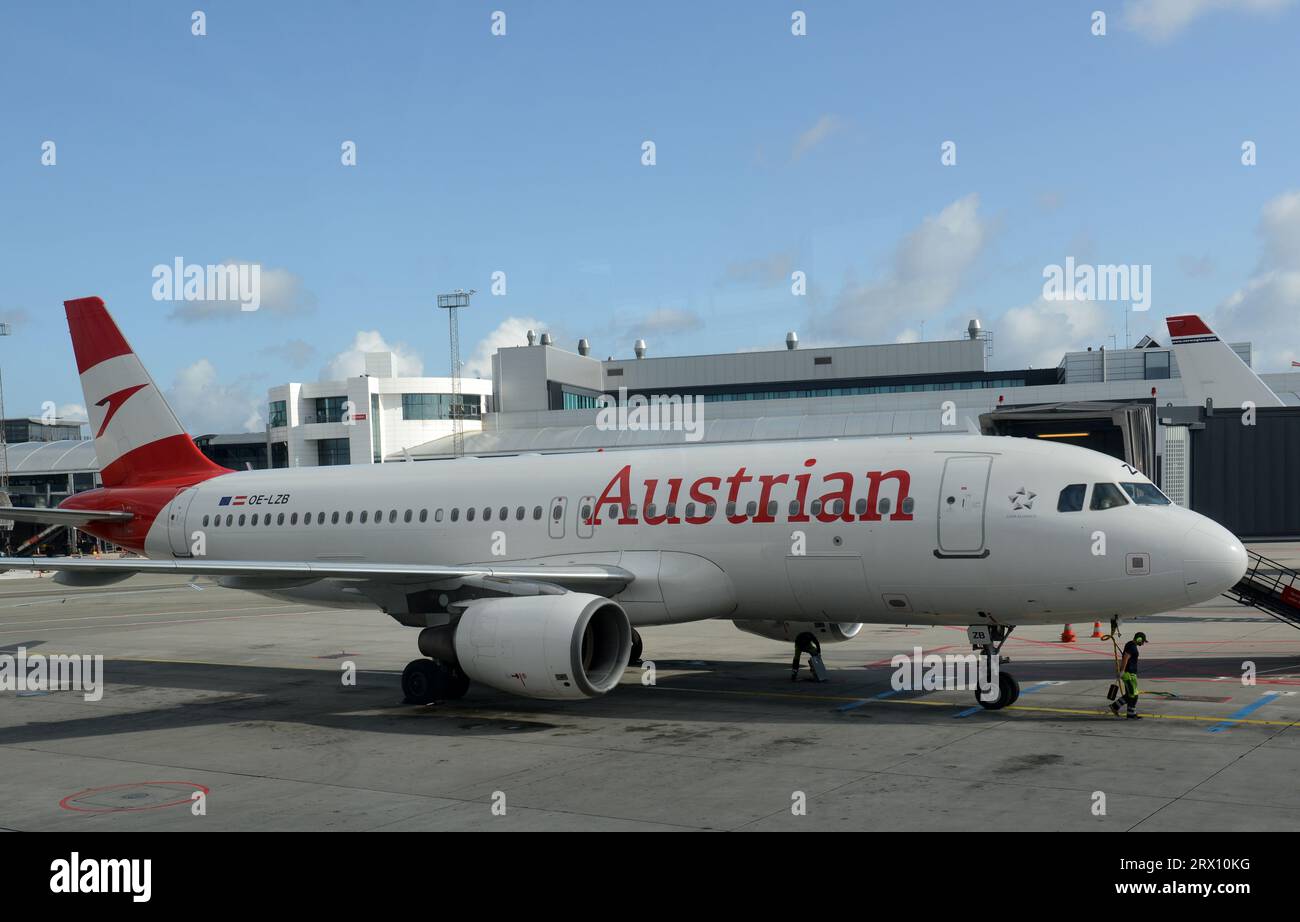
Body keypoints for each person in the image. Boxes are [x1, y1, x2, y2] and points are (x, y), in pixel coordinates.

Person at [1110, 631, 1147, 719]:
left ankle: (1115, 707)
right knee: (1134, 695)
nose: (1143, 643)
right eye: (1142, 641)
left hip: (1130, 674)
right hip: (1129, 674)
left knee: (1129, 694)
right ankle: (1130, 714)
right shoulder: (1132, 647)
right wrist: (1122, 671)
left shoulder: (1130, 644)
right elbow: (1125, 658)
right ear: (1139, 639)